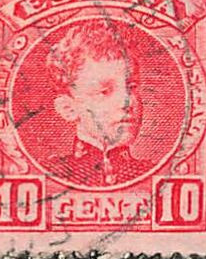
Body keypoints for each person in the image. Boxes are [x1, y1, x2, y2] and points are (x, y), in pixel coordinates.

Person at [25, 18, 154, 187]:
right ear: (68, 108)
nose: (127, 101)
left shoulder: (154, 175)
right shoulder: (48, 175)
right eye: (104, 91)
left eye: (132, 86)